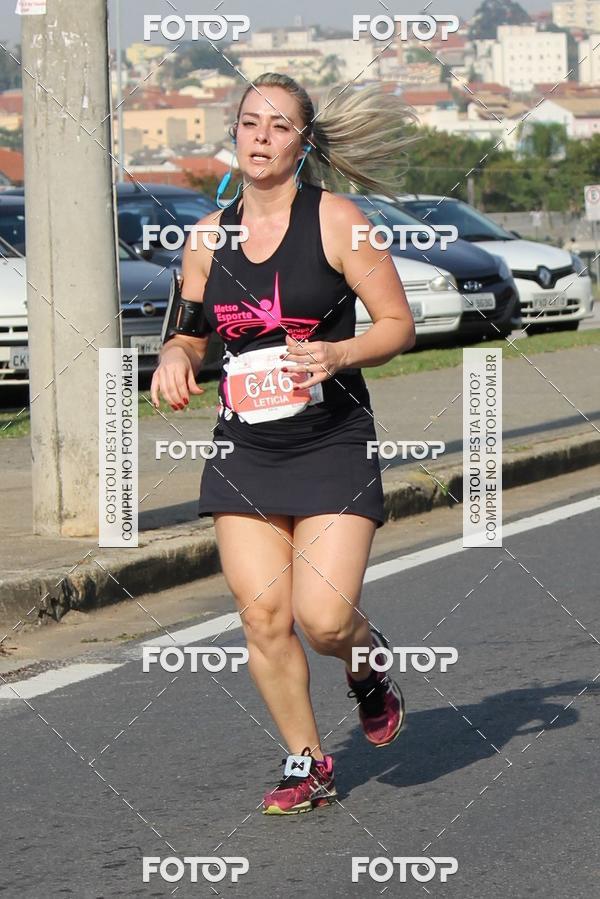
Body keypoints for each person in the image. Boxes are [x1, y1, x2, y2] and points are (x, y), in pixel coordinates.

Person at [151, 73, 418, 815]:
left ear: (302, 143)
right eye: (248, 123)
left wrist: (336, 355)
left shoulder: (337, 220)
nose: (259, 136)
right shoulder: (207, 237)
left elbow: (398, 325)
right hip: (246, 448)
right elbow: (189, 328)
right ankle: (307, 760)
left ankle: (367, 666)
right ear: (232, 136)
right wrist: (175, 356)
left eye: (277, 125)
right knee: (263, 614)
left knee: (325, 618)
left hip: (333, 439)